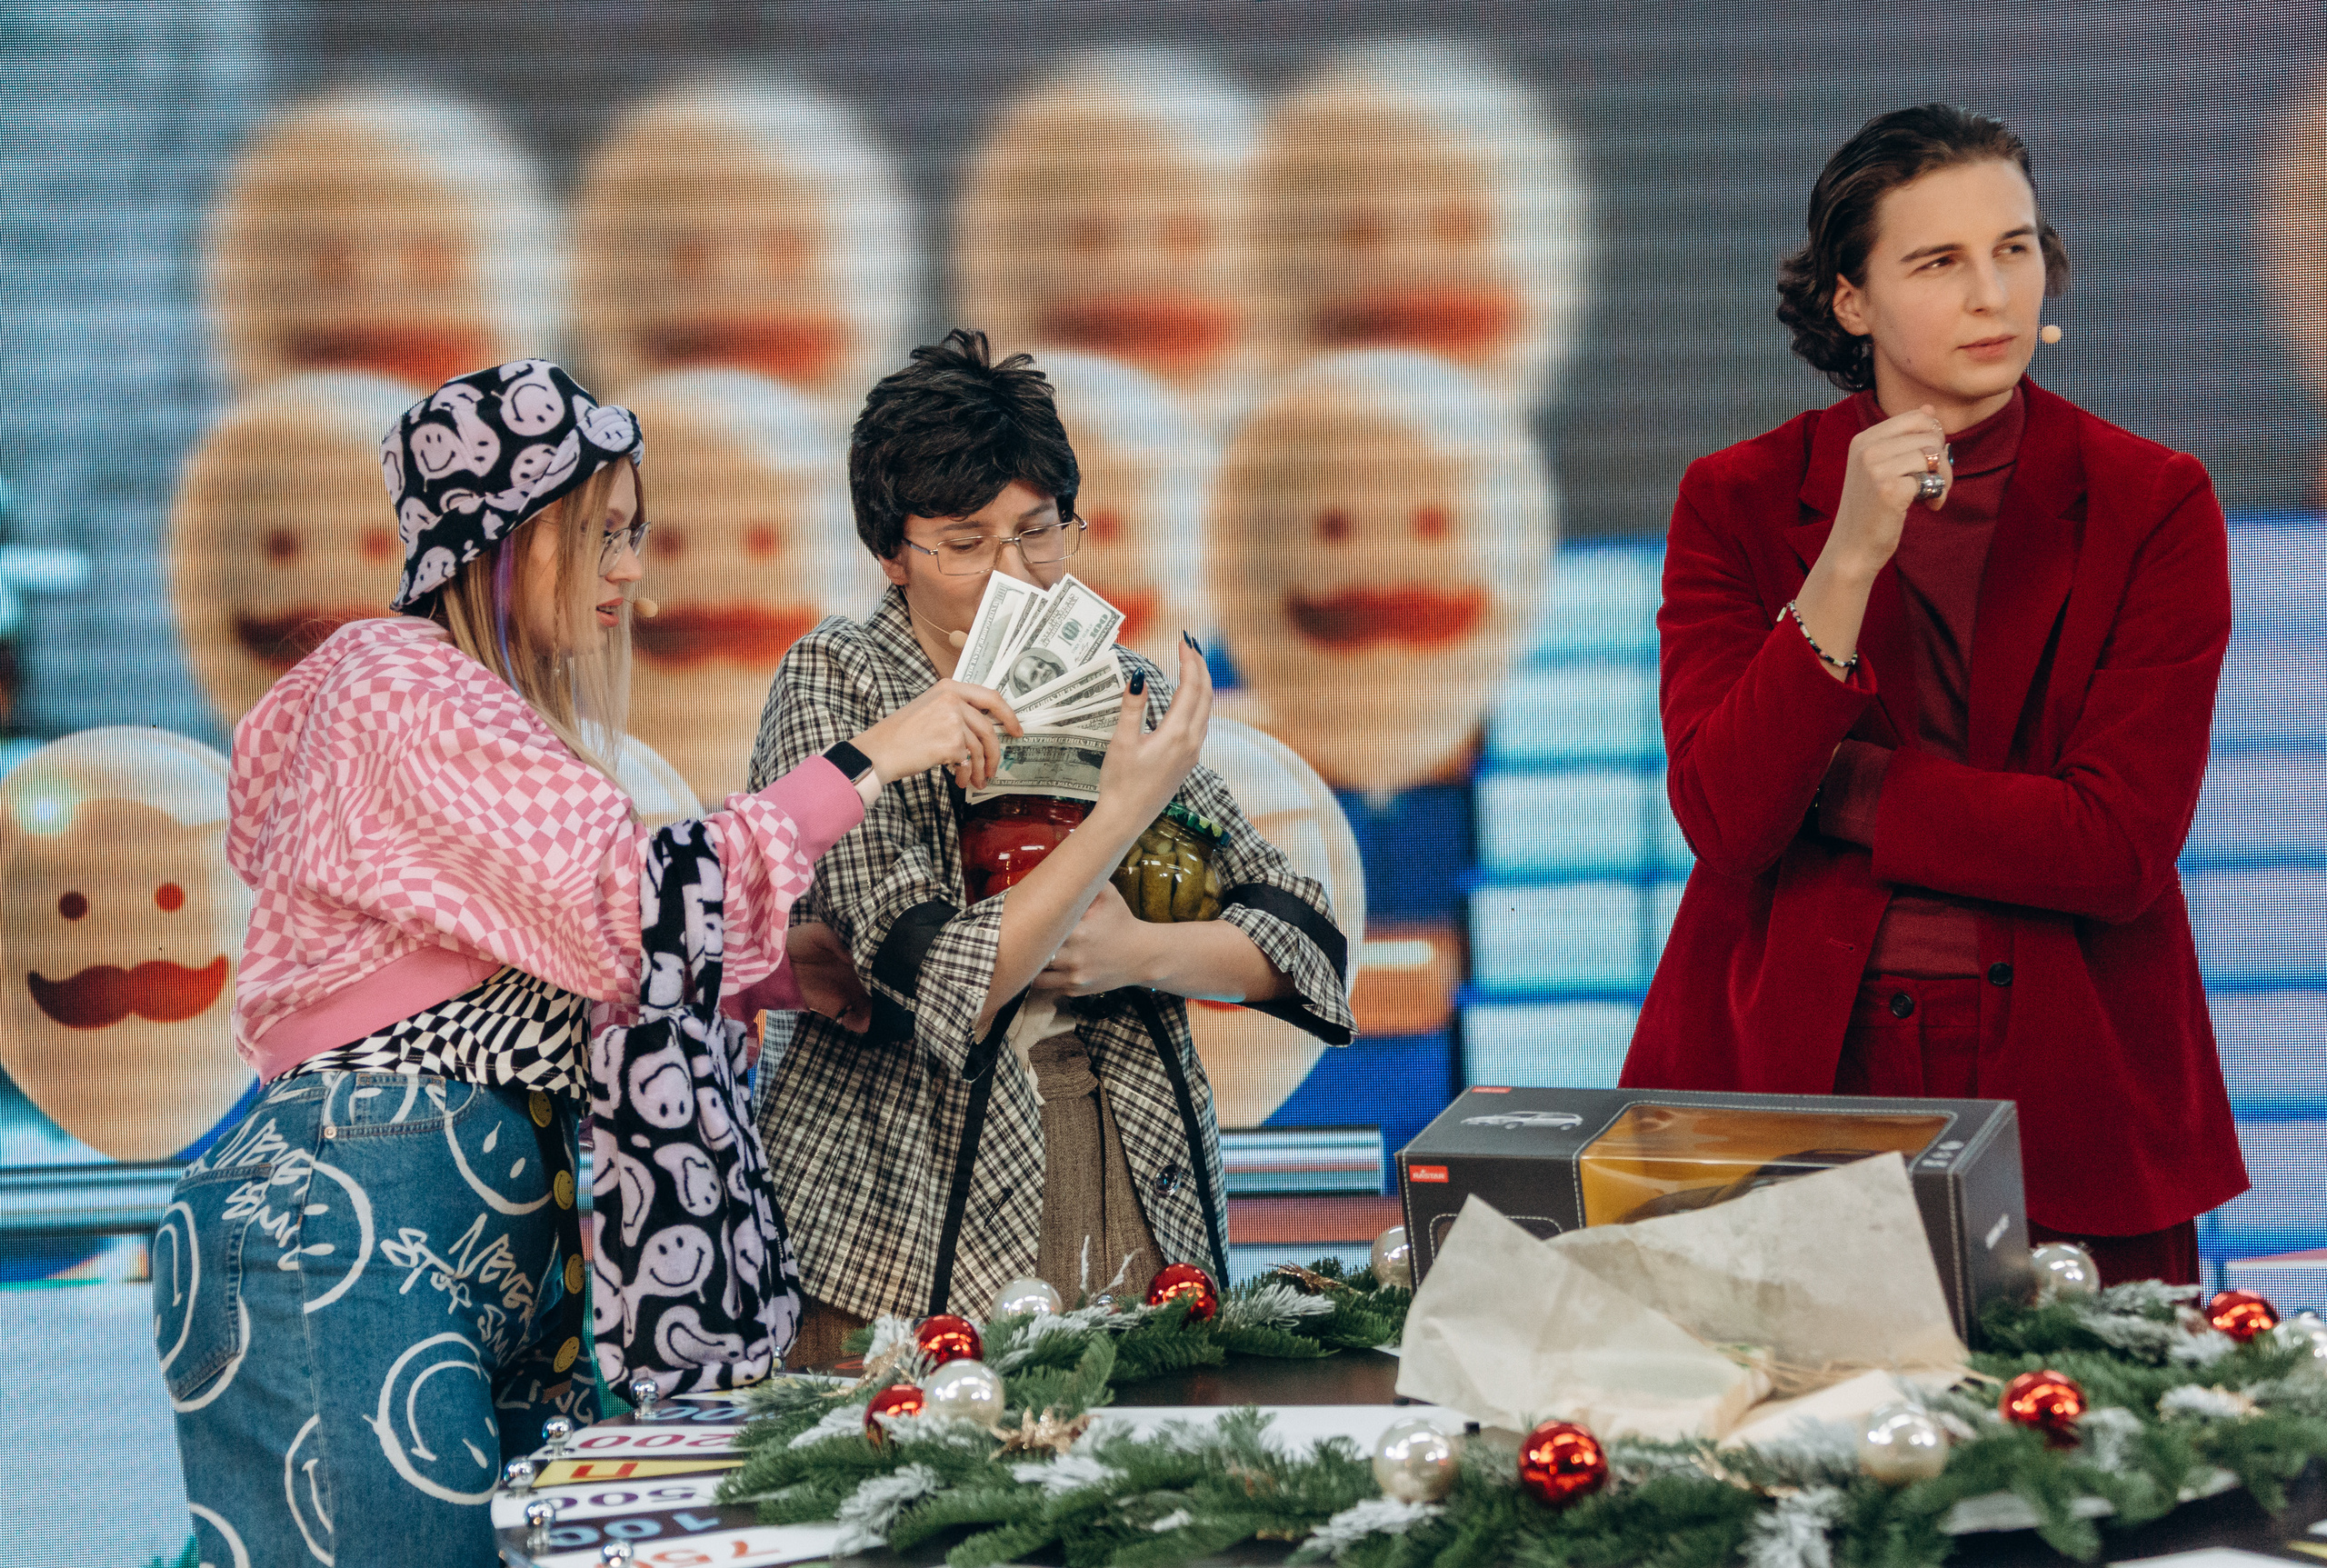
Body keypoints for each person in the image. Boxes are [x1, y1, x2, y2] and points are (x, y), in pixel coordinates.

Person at [155, 360, 1007, 1568]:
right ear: (509, 539)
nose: (631, 569)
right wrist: (874, 755)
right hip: (348, 1217)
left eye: (634, 535)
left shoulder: (462, 710)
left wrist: (771, 972)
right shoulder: (393, 680)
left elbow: (510, 953)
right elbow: (627, 907)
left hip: (430, 1224)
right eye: (603, 534)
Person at [1621, 106, 2246, 1283]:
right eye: (1939, 261)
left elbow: (2115, 848)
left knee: (2105, 1455)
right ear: (1851, 300)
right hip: (1790, 1077)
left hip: (2076, 1088)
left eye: (2014, 248)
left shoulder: (2153, 499)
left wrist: (1843, 784)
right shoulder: (1739, 499)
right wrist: (1848, 557)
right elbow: (1729, 818)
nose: (1992, 294)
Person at [746, 330, 1354, 1362]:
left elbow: (1301, 935)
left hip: (1128, 1176)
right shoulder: (837, 680)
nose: (1014, 575)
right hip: (898, 1230)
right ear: (891, 551)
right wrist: (1120, 815)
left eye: (1039, 532)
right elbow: (945, 979)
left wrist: (1138, 955)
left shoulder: (1119, 682)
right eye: (964, 541)